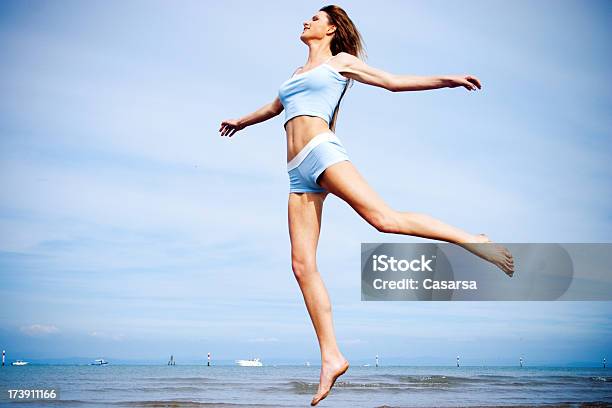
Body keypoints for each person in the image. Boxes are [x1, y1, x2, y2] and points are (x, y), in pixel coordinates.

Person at [219, 5, 514, 405]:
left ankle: (471, 239)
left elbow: (392, 82)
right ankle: (332, 356)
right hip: (295, 172)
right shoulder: (294, 74)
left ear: (331, 29)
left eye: (316, 18)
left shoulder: (342, 62)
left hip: (321, 152)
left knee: (384, 219)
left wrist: (447, 79)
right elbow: (273, 109)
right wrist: (240, 121)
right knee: (302, 265)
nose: (307, 21)